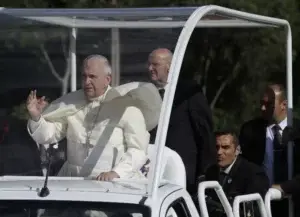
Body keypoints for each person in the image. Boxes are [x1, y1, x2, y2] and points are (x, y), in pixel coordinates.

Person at [26, 54, 161, 181]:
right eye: (84, 76)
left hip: (114, 183)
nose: (86, 82)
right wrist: (36, 116)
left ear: (107, 79)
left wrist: (116, 173)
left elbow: (138, 150)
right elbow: (50, 136)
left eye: (92, 76)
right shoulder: (71, 104)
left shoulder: (128, 108)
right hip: (74, 181)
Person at [147, 48, 216, 195]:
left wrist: (205, 172)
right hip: (151, 170)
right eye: (149, 64)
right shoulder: (145, 92)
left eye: (155, 64)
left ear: (169, 66)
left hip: (182, 171)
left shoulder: (189, 92)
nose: (150, 68)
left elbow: (204, 133)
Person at [204, 131, 269, 217]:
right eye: (216, 147)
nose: (219, 152)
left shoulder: (253, 174)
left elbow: (252, 211)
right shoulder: (210, 172)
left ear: (237, 150)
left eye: (225, 147)